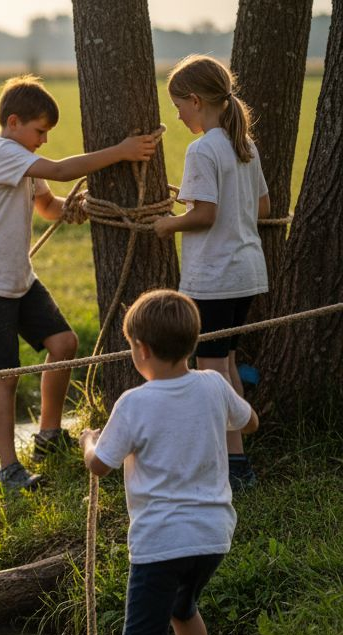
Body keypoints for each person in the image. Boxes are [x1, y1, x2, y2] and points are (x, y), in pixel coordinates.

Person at [0, 74, 159, 491]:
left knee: (63, 344)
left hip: (16, 278)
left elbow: (46, 204)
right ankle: (9, 469)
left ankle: (46, 436)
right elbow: (62, 171)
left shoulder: (22, 158)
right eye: (40, 131)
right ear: (13, 122)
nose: (43, 140)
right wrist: (120, 152)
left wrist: (74, 209)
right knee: (5, 376)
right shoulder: (0, 152)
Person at [81, 289, 257, 635]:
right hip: (213, 535)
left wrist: (88, 440)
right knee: (185, 609)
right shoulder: (213, 386)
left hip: (160, 543)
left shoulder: (134, 403)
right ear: (194, 342)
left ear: (139, 349)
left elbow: (100, 465)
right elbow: (250, 421)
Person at [152, 55, 270, 493]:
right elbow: (262, 208)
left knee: (213, 367)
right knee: (227, 361)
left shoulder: (202, 148)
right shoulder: (245, 146)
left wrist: (169, 222)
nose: (178, 114)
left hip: (214, 276)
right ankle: (236, 447)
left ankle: (235, 463)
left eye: (179, 105)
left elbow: (204, 214)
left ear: (197, 100)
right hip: (247, 273)